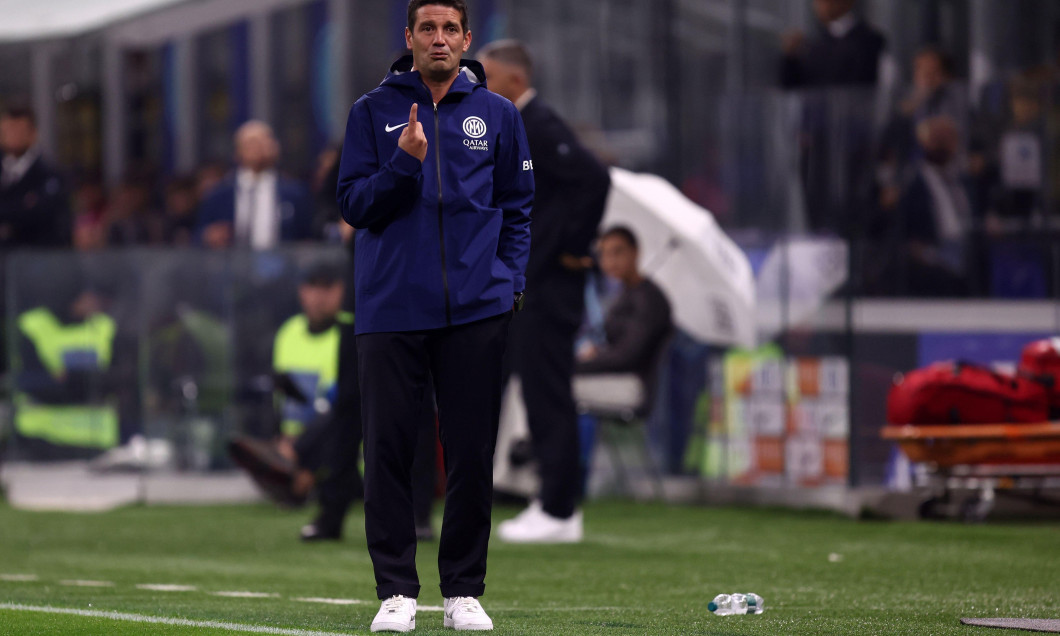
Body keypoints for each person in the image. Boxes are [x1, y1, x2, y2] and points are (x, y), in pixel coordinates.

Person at [336, 0, 533, 630]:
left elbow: (518, 205)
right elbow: (354, 205)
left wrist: (509, 282)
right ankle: (396, 591)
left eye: (450, 29)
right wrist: (405, 164)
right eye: (429, 29)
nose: (440, 39)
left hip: (478, 308)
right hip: (391, 307)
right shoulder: (371, 112)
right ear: (410, 38)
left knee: (472, 452)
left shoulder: (499, 116)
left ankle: (463, 592)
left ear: (467, 39)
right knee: (389, 450)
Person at [478, 40, 610, 545]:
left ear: (514, 80)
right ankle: (550, 501)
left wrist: (566, 246)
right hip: (537, 278)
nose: (482, 86)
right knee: (534, 390)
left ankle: (558, 508)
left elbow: (595, 179)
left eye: (488, 77)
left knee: (547, 391)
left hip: (551, 285)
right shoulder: (522, 125)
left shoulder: (540, 124)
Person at [575, 227, 673, 412]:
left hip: (635, 384)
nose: (610, 261)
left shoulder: (647, 298)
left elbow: (627, 356)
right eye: (603, 253)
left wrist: (578, 365)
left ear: (635, 252)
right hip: (619, 376)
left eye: (617, 252)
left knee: (548, 382)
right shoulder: (625, 293)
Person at [196, 121, 314, 249]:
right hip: (233, 265)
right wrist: (208, 236)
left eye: (264, 141)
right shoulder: (218, 195)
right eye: (252, 142)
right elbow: (197, 236)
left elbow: (308, 237)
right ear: (237, 151)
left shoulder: (295, 193)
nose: (258, 148)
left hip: (282, 265)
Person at [0, 106, 70, 248]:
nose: (12, 136)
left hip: (34, 259)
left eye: (18, 130)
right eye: (7, 130)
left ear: (33, 133)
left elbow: (40, 215)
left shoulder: (49, 175)